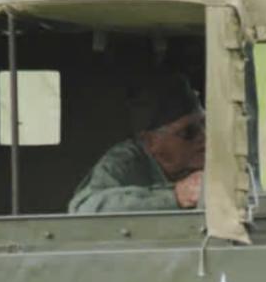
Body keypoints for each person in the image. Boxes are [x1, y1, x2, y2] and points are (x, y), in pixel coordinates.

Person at [68, 74, 206, 213]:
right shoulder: (126, 161)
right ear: (151, 142)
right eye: (189, 132)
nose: (204, 136)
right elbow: (84, 207)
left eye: (205, 124)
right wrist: (175, 197)